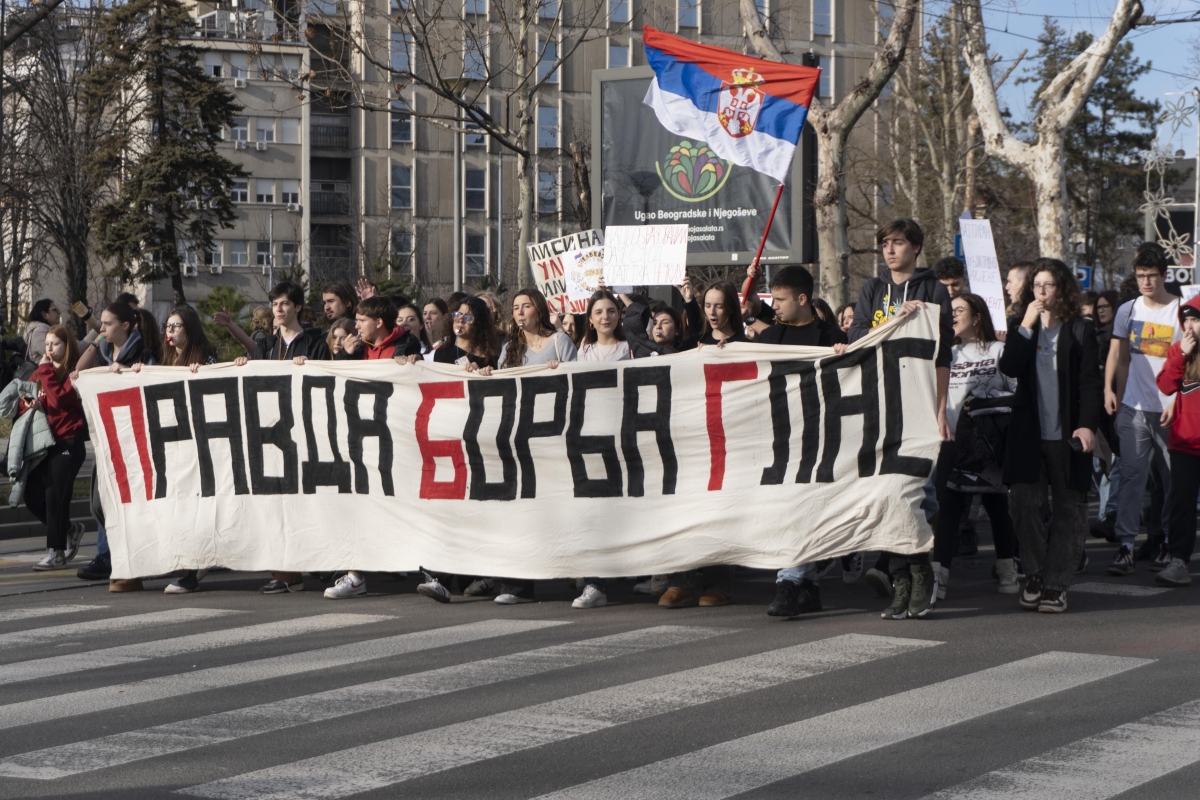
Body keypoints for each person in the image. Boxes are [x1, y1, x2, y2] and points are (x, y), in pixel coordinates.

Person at [847, 219, 952, 616]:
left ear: (916, 248)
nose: (890, 250)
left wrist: (941, 410)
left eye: (899, 243)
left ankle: (923, 572)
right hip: (880, 405)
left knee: (918, 492)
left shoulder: (932, 288)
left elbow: (942, 353)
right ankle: (901, 580)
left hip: (920, 403)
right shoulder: (873, 289)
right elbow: (859, 335)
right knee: (887, 493)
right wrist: (895, 321)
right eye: (886, 244)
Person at [743, 266, 850, 617]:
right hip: (781, 435)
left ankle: (788, 582)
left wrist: (842, 352)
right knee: (791, 509)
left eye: (780, 299)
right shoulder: (772, 336)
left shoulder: (827, 335)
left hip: (820, 434)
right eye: (772, 298)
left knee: (802, 508)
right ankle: (807, 586)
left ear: (802, 299)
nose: (774, 306)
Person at [1000, 257, 1101, 613]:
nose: (1042, 292)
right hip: (1029, 432)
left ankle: (1057, 584)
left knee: (1069, 510)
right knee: (1024, 505)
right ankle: (1036, 574)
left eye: (1049, 285)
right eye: (1037, 286)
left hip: (1068, 433)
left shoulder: (1080, 330)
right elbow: (1009, 367)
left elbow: (1090, 384)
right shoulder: (1021, 326)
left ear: (1062, 289)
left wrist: (1087, 424)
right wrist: (1026, 325)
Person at [234, 282, 330, 594]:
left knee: (306, 503)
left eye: (285, 303)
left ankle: (320, 562)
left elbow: (327, 379)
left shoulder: (315, 342)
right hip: (272, 434)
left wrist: (310, 368)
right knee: (274, 504)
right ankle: (285, 573)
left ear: (298, 307)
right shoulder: (266, 345)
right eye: (275, 303)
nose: (279, 309)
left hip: (304, 432)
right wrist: (241, 367)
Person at [483, 289, 577, 604]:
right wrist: (486, 374)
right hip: (517, 439)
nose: (520, 312)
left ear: (539, 310)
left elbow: (579, 384)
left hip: (552, 439)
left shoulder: (560, 342)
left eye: (526, 306)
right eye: (516, 308)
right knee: (517, 512)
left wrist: (559, 372)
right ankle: (515, 585)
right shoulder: (510, 348)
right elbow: (500, 388)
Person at [934, 293, 1019, 596]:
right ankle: (939, 577)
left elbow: (1018, 394)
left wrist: (987, 403)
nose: (953, 315)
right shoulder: (946, 355)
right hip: (952, 443)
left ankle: (1008, 571)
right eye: (951, 311)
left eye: (959, 310)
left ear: (977, 316)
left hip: (988, 446)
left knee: (998, 508)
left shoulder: (999, 350)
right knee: (948, 509)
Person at [1105, 242, 1178, 575]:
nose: (1146, 282)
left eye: (1152, 276)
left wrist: (1177, 400)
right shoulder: (1128, 310)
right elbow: (1118, 357)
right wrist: (1112, 394)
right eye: (1140, 276)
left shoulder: (1180, 310)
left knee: (1172, 480)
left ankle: (1167, 544)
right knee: (1131, 479)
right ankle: (1125, 546)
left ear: (1164, 275)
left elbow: (1190, 364)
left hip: (1168, 410)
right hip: (1133, 407)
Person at [158, 306, 219, 595]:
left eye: (176, 326)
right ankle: (187, 565)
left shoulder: (205, 355)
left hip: (198, 443)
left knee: (192, 506)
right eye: (167, 326)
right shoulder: (167, 358)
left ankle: (188, 572)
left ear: (190, 328)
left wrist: (202, 375)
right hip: (174, 442)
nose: (170, 331)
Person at [26, 327, 88, 572]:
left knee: (55, 497)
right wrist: (27, 403)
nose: (49, 349)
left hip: (68, 442)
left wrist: (44, 370)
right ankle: (70, 529)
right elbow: (28, 393)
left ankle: (56, 552)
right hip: (43, 444)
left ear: (67, 345)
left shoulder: (73, 370)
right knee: (31, 496)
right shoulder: (43, 370)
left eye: (56, 344)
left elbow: (60, 399)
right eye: (48, 344)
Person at [1154, 295, 1200, 586]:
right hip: (1184, 443)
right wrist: (1182, 354)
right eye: (1188, 320)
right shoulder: (1178, 351)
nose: (1192, 326)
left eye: (1197, 319)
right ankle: (1178, 561)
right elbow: (1165, 385)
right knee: (1182, 505)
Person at [334, 296, 422, 365]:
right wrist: (345, 354)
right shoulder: (358, 347)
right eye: (357, 321)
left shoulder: (406, 344)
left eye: (362, 320)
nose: (356, 326)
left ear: (379, 322)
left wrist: (414, 362)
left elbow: (419, 377)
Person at [431, 296, 500, 369]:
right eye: (457, 314)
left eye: (468, 317)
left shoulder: (491, 359)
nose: (460, 319)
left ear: (479, 323)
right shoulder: (442, 353)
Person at [577, 290, 631, 363]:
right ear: (590, 318)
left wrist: (622, 295)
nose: (605, 316)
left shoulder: (629, 349)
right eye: (599, 312)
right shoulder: (584, 352)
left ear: (618, 314)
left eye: (611, 311)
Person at [699, 281, 748, 345]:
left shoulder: (745, 345)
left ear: (731, 308)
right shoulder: (695, 342)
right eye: (708, 306)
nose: (711, 312)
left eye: (719, 306)